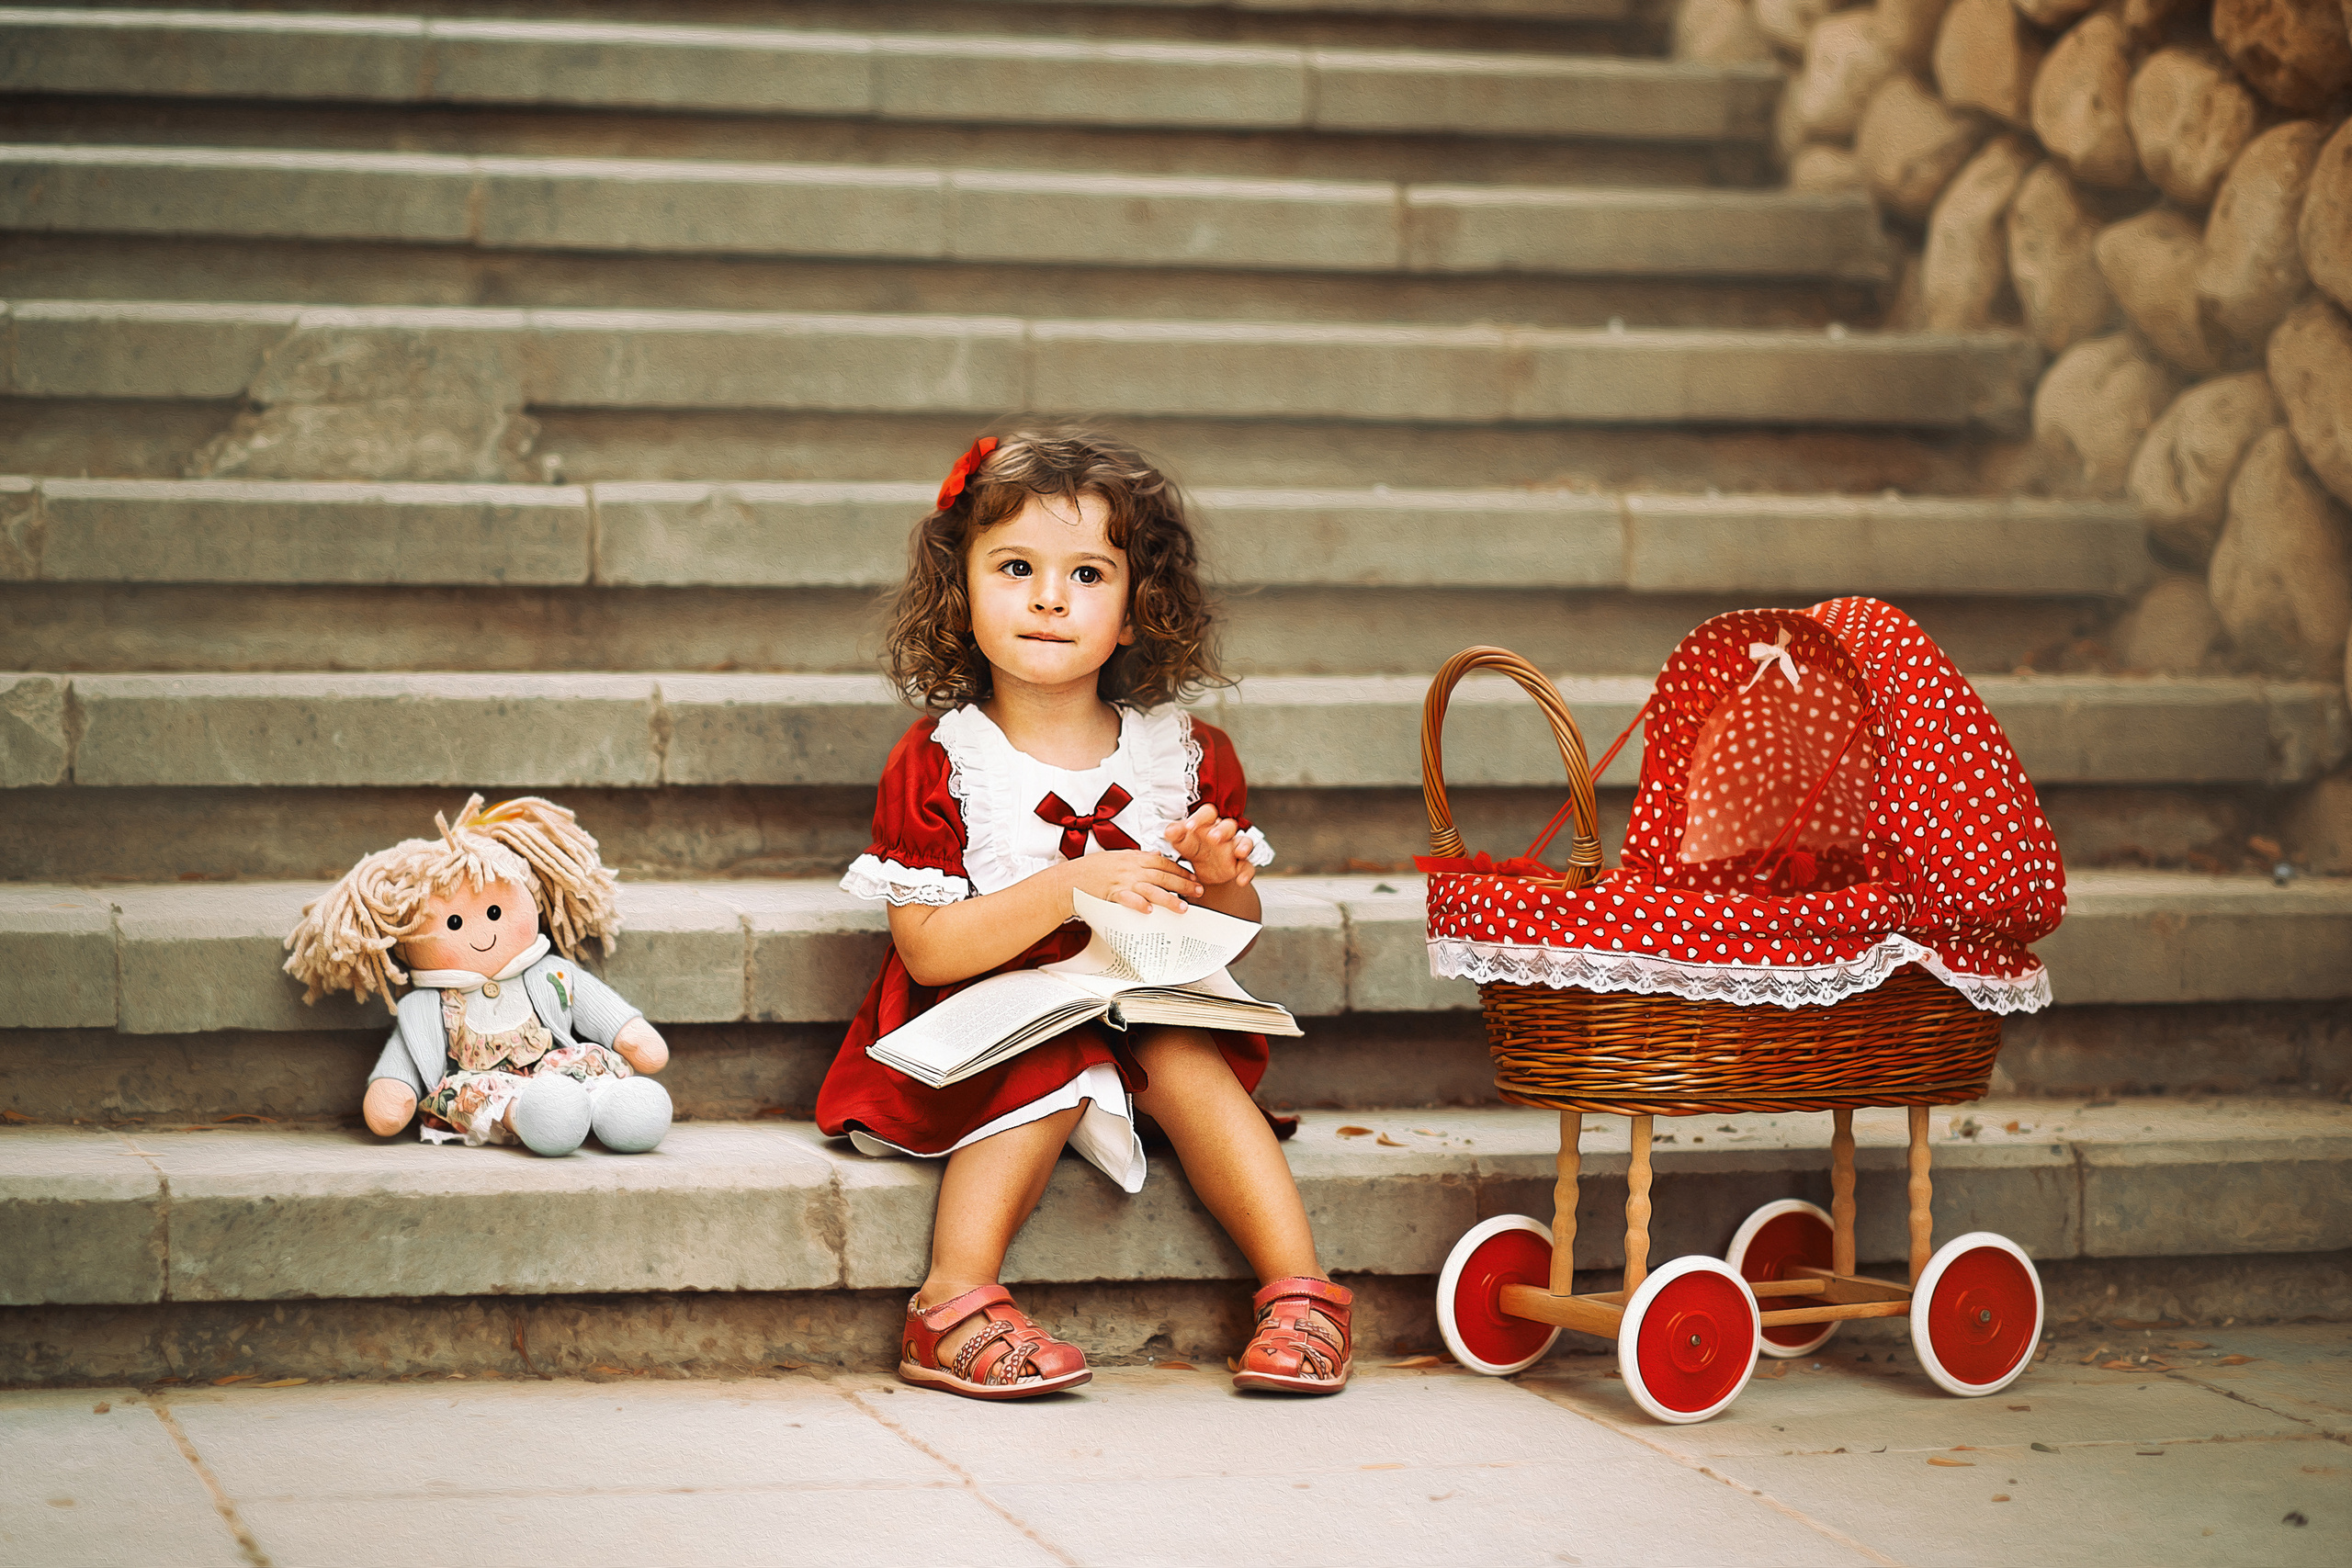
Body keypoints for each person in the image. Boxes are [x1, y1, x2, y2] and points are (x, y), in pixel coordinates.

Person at [817, 428, 1351, 1402]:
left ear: (1139, 606)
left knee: (1183, 1052)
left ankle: (1300, 1295)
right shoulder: (942, 760)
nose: (1050, 598)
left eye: (1089, 574)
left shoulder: (1184, 755)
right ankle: (950, 1300)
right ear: (961, 589)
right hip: (985, 1017)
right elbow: (929, 954)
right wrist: (1069, 887)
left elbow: (1230, 927)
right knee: (1052, 1053)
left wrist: (1220, 879)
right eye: (1016, 567)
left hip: (1141, 998)